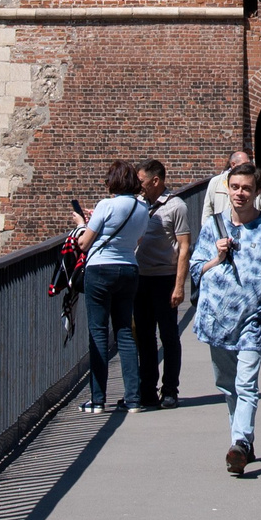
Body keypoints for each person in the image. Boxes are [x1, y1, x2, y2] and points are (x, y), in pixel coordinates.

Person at [188, 162, 261, 475]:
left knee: (245, 384)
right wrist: (216, 258)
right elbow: (195, 270)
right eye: (235, 187)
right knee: (227, 385)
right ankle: (242, 440)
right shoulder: (212, 227)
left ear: (257, 191)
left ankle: (240, 444)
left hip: (251, 321)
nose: (240, 193)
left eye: (246, 188)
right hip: (216, 320)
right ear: (227, 189)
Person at [75, 160, 154, 413]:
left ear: (115, 181)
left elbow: (84, 244)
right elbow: (137, 239)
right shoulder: (143, 208)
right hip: (129, 269)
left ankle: (98, 400)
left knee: (98, 333)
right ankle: (133, 400)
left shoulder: (105, 205)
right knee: (124, 333)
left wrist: (80, 223)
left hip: (99, 270)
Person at [131, 159, 189, 409]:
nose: (138, 186)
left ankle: (170, 390)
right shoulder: (138, 206)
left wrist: (179, 286)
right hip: (141, 278)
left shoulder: (176, 206)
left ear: (156, 181)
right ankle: (147, 390)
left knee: (168, 336)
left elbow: (185, 247)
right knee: (144, 337)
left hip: (165, 278)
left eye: (141, 181)